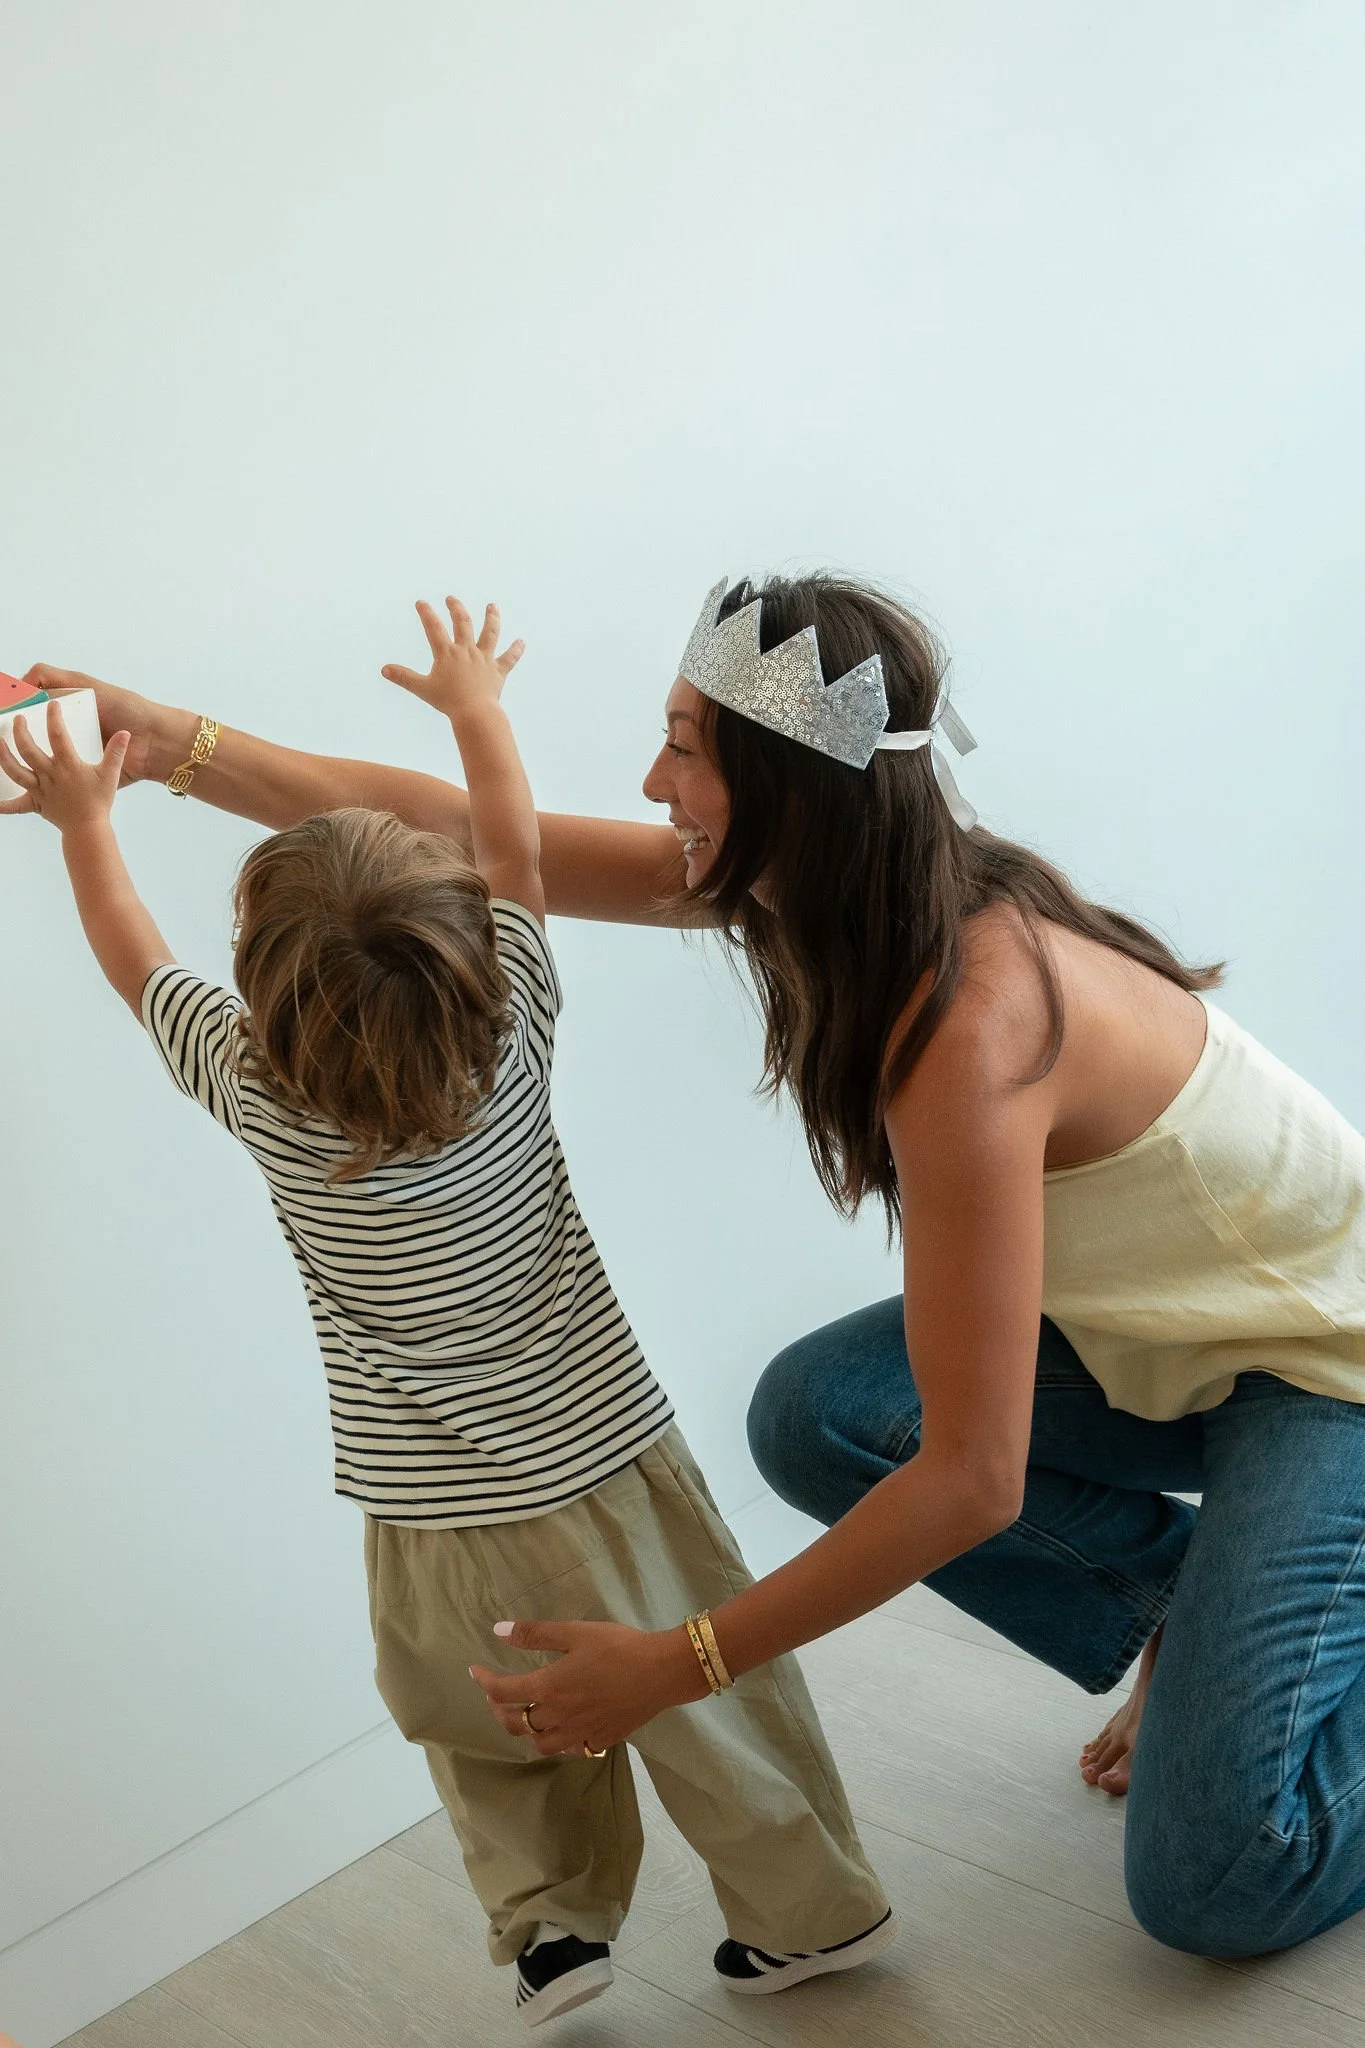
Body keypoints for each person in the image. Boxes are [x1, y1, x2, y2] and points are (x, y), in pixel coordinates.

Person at [12, 565, 1365, 1963]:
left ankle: (1265, 1624)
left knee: (1216, 1879)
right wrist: (166, 740)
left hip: (1325, 1369)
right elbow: (478, 834)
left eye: (683, 748)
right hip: (1170, 1344)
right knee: (818, 1413)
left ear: (790, 789)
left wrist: (677, 1661)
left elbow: (978, 1480)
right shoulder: (832, 889)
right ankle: (1194, 1612)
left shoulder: (967, 1024)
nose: (654, 782)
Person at [0, 598, 893, 2030]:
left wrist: (81, 818)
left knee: (486, 1730)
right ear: (470, 951)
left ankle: (552, 1935)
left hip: (424, 1510)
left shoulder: (262, 1098)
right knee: (709, 1704)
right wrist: (476, 706)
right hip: (609, 1470)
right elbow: (514, 848)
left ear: (266, 1003)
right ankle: (810, 1913)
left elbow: (127, 956)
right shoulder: (518, 1017)